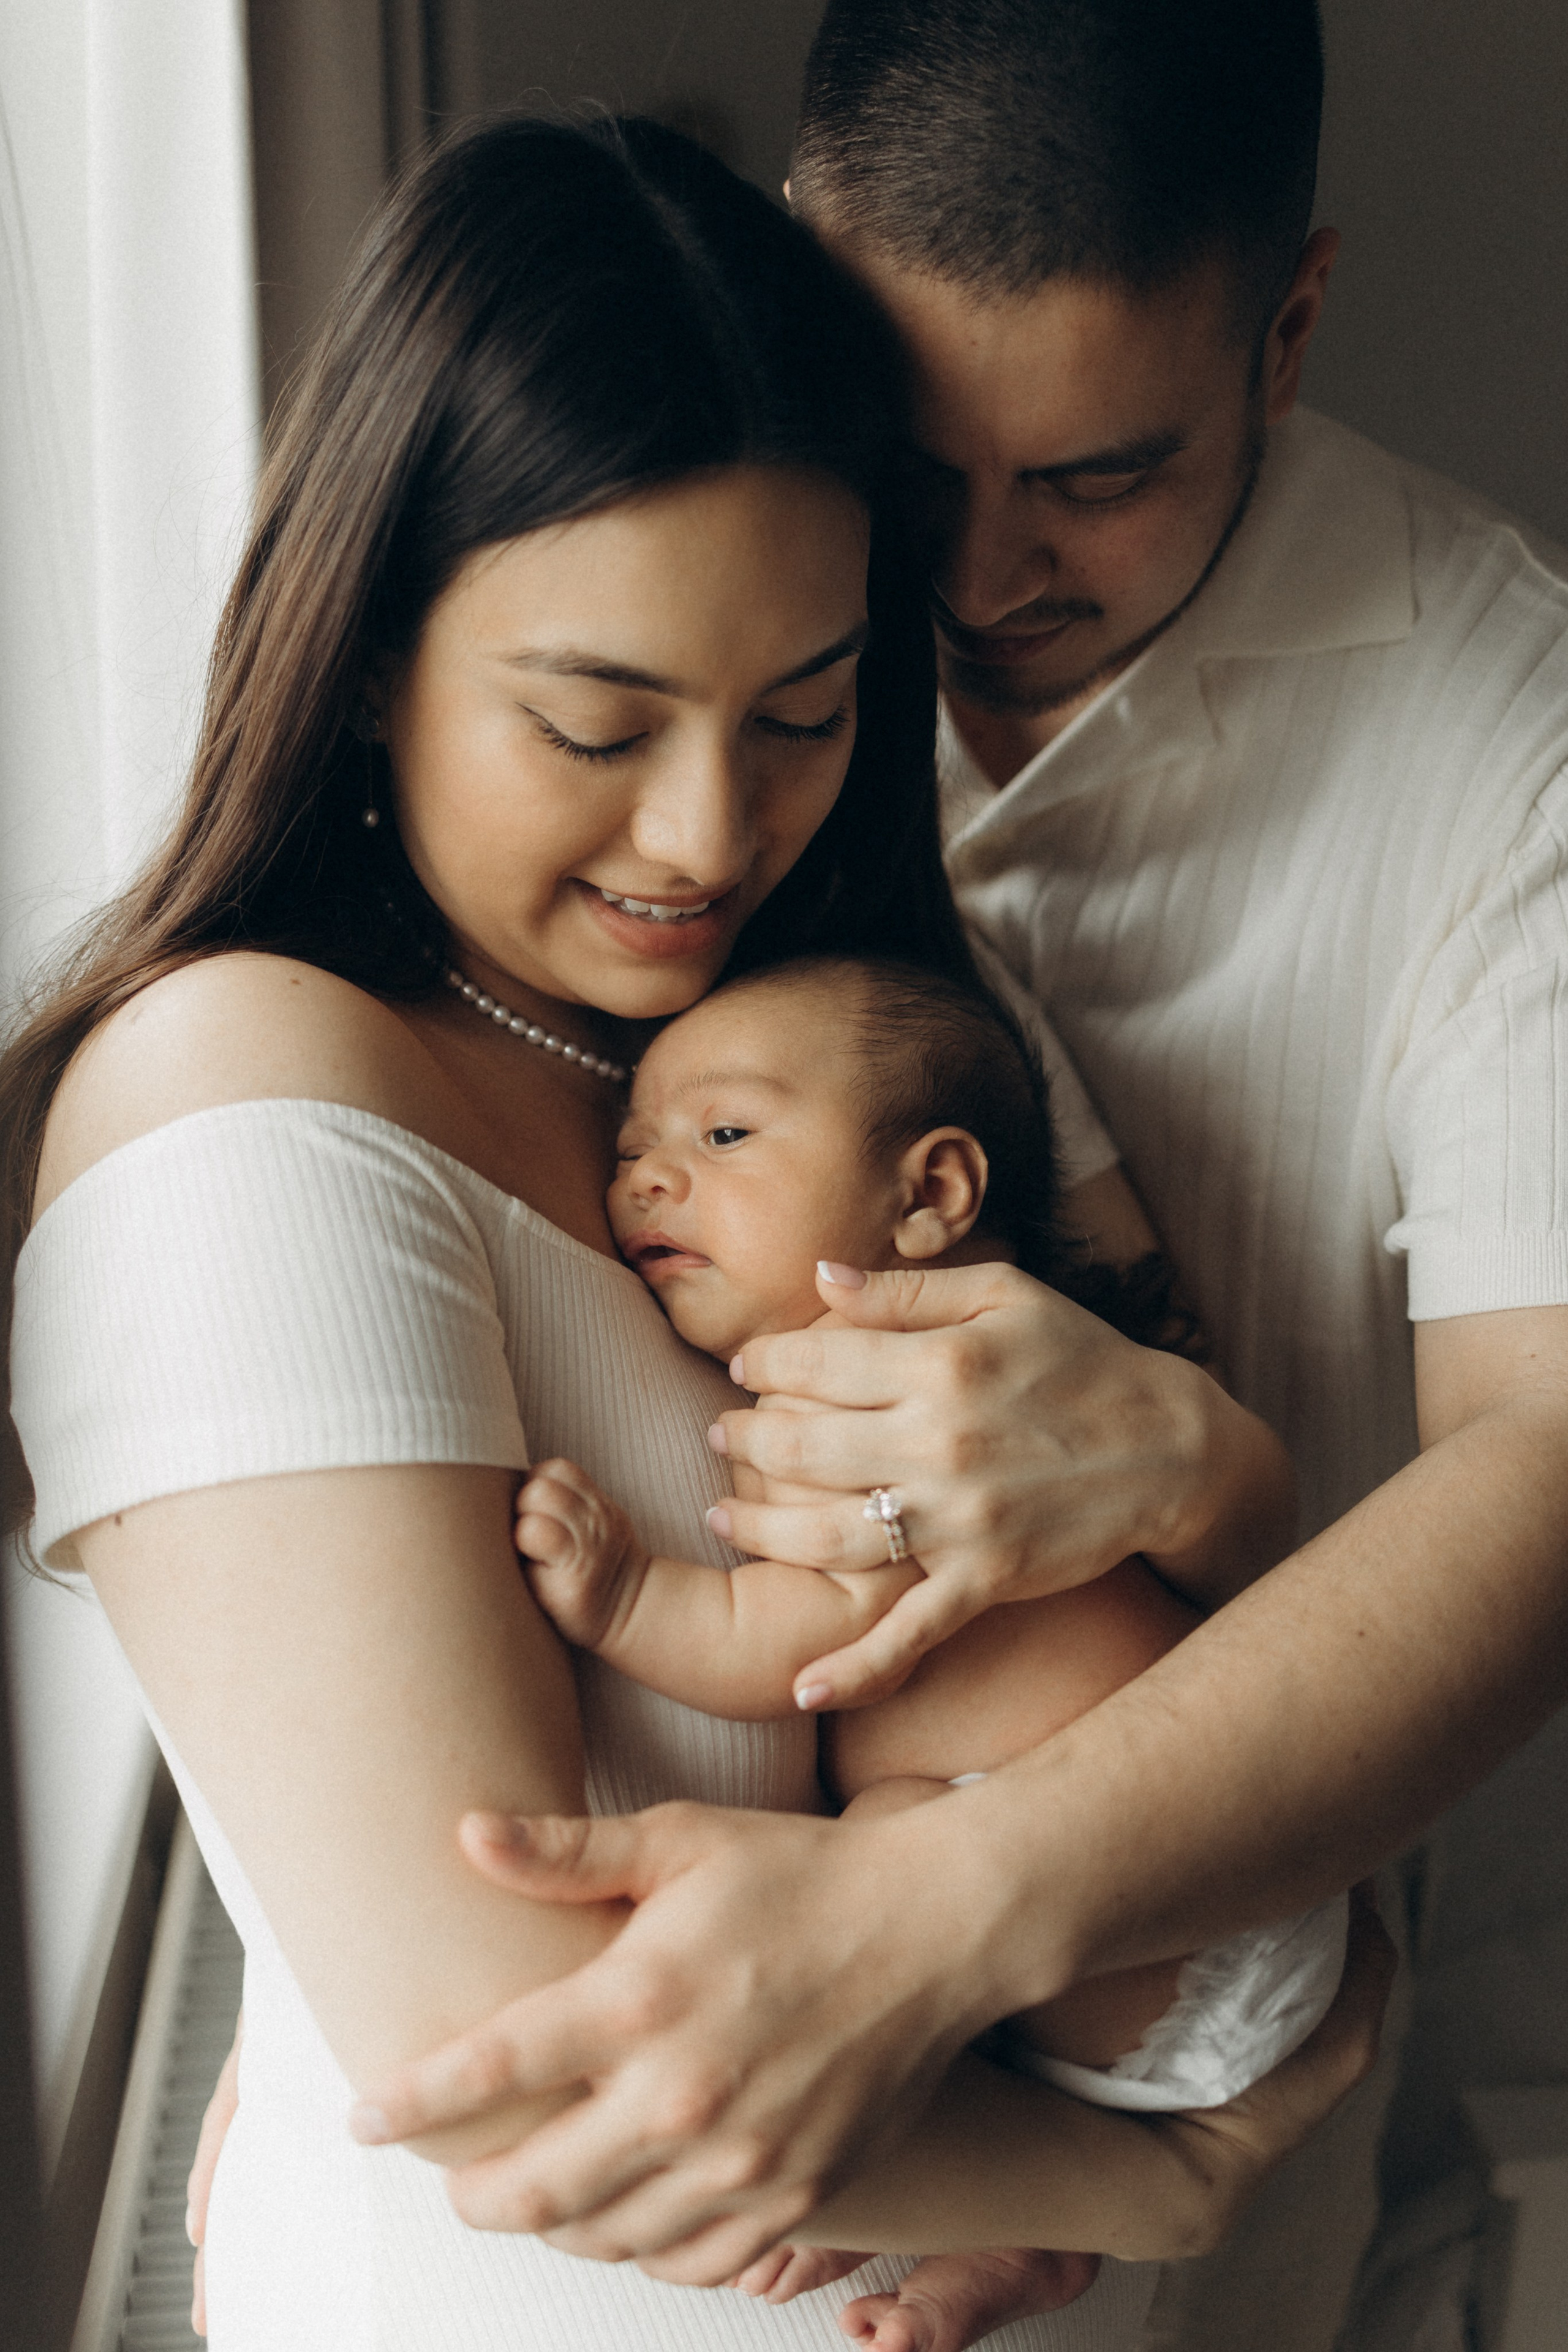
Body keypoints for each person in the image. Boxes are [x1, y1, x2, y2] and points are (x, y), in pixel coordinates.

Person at [0, 115, 1379, 2352]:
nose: (710, 832)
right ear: (371, 650)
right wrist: (1172, 2177)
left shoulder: (847, 1027)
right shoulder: (235, 1099)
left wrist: (1204, 1480)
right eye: (595, 724)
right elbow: (533, 2075)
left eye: (808, 712)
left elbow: (1250, 1698)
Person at [341, 9, 1568, 2352]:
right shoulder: (706, 641)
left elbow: (1553, 1463)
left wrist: (958, 1901)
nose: (981, 575)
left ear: (1290, 324)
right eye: (921, 467)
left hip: (1209, 2049)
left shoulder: (1517, 752)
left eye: (1098, 476)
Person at [512, 951, 1349, 2351]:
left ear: (930, 1194)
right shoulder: (959, 1364)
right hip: (1172, 1912)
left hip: (1172, 1887)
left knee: (874, 1873)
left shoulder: (926, 1387)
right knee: (899, 1843)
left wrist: (623, 1597)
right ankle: (1025, 2238)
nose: (648, 1178)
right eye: (632, 1149)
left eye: (723, 1133)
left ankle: (902, 2166)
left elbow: (803, 1638)